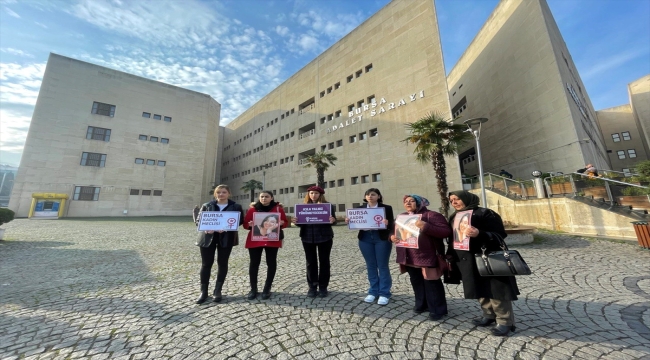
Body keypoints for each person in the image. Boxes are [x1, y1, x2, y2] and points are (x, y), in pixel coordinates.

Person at [447, 190, 520, 336]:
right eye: (451, 200)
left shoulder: (485, 213)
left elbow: (500, 234)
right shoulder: (455, 216)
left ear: (467, 198)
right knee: (478, 288)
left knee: (497, 290)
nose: (454, 202)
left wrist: (479, 234)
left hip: (488, 257)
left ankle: (505, 321)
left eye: (457, 199)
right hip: (466, 259)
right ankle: (489, 315)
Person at [390, 195, 451, 321]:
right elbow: (394, 232)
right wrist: (392, 237)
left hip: (427, 255)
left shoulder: (431, 215)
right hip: (409, 256)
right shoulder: (402, 217)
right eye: (406, 201)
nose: (408, 203)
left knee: (431, 282)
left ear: (419, 203)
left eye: (411, 201)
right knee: (416, 281)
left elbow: (446, 232)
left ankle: (437, 310)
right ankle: (421, 304)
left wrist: (425, 226)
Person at [195, 184, 244, 304]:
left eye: (224, 192)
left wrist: (227, 227)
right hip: (207, 238)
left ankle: (218, 290)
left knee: (222, 263)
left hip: (226, 237)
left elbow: (240, 220)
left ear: (229, 194)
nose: (221, 194)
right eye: (219, 192)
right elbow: (199, 220)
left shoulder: (235, 206)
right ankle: (204, 291)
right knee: (206, 264)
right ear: (215, 194)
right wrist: (205, 227)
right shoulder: (207, 205)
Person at [345, 188, 395, 305]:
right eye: (367, 195)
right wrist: (349, 220)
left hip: (381, 238)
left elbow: (392, 223)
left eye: (373, 194)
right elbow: (355, 221)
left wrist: (388, 223)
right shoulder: (359, 209)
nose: (370, 196)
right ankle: (373, 291)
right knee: (370, 265)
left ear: (378, 196)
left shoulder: (386, 208)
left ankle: (384, 293)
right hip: (365, 238)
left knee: (382, 265)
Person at [291, 186, 337, 298]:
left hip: (324, 237)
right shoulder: (302, 207)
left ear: (320, 194)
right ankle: (312, 286)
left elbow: (333, 221)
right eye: (311, 193)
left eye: (316, 193)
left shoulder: (329, 206)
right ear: (308, 194)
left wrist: (333, 220)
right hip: (307, 237)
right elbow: (300, 223)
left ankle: (323, 287)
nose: (313, 195)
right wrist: (296, 221)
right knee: (311, 262)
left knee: (324, 262)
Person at [243, 190, 288, 300]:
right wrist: (249, 225)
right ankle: (253, 289)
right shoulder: (252, 210)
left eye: (266, 196)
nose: (264, 198)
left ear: (271, 198)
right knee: (254, 264)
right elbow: (245, 224)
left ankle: (267, 288)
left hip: (272, 240)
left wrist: (282, 224)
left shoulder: (278, 209)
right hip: (255, 240)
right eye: (262, 196)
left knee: (271, 263)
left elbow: (285, 222)